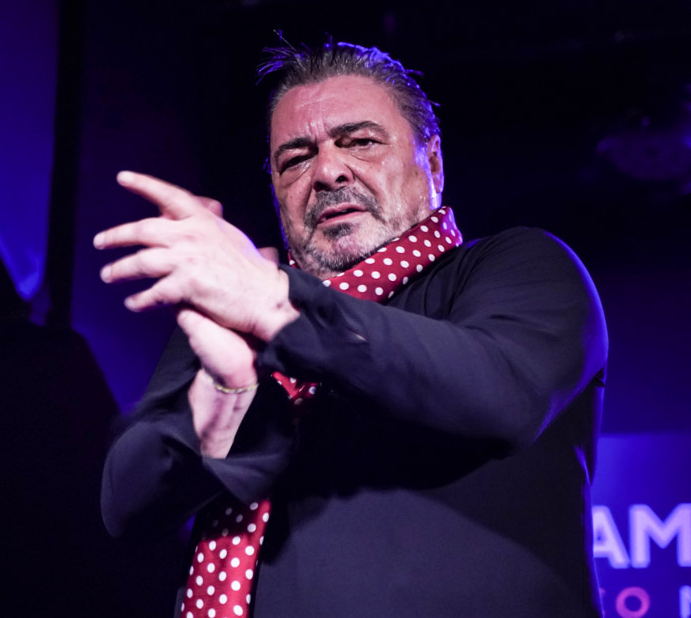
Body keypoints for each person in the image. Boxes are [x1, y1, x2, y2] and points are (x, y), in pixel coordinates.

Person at [95, 40, 607, 617]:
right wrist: (224, 392)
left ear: (433, 161)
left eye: (360, 142)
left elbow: (501, 394)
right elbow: (127, 505)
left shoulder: (516, 265)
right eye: (295, 159)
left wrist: (280, 308)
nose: (327, 171)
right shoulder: (233, 315)